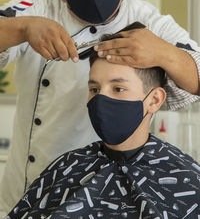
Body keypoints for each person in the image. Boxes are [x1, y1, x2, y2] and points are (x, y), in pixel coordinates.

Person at [0, 0, 200, 213]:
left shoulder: (149, 21)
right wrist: (22, 29)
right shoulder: (40, 7)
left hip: (108, 181)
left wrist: (164, 53)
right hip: (33, 182)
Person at [6, 24, 200, 219]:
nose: (101, 100)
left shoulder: (188, 179)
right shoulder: (67, 167)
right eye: (95, 90)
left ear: (154, 100)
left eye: (118, 89)